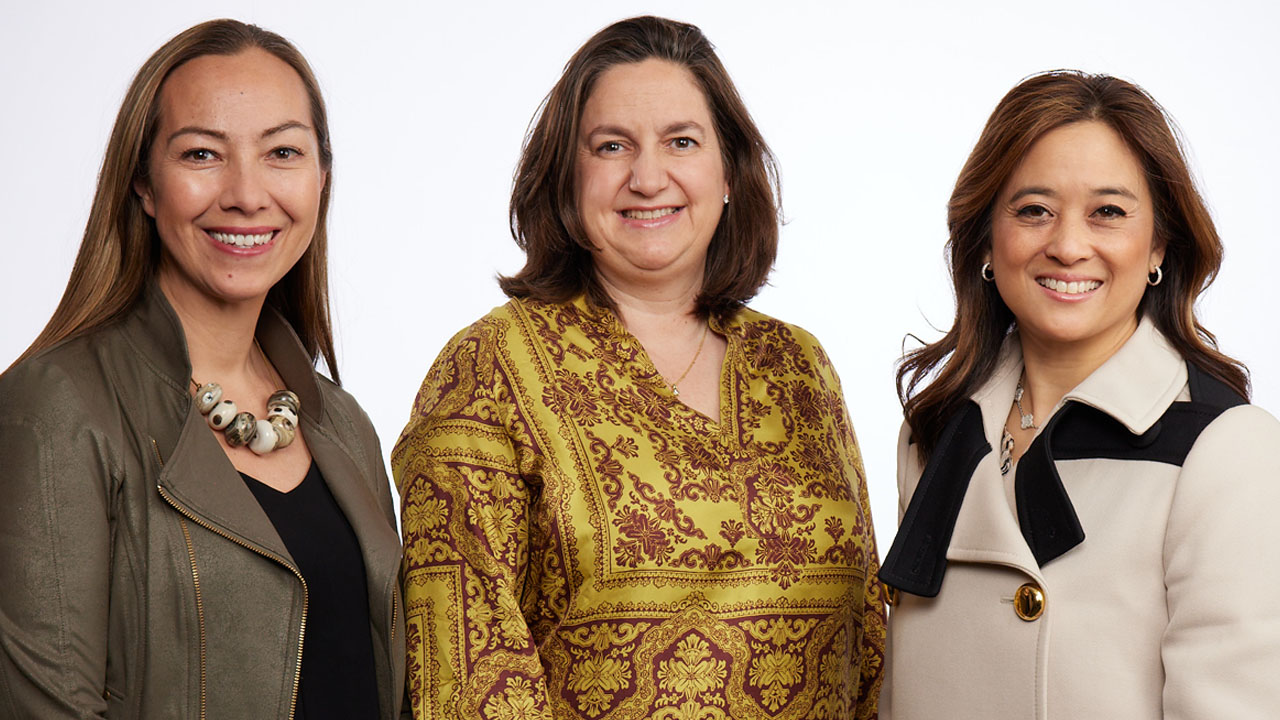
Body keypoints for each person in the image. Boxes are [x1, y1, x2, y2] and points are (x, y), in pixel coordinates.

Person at [394, 15, 884, 720]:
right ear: (568, 178)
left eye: (681, 141)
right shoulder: (488, 368)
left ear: (727, 172)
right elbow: (468, 678)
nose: (648, 178)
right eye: (612, 146)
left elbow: (869, 643)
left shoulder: (800, 368)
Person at [0, 20, 404, 719]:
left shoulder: (343, 426)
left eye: (282, 152)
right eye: (202, 154)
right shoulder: (56, 407)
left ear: (321, 179)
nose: (247, 193)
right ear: (144, 184)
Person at [879, 70, 1280, 718]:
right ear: (987, 238)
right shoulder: (935, 432)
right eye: (1034, 210)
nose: (1067, 246)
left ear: (1158, 245)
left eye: (1108, 213)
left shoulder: (1225, 451)